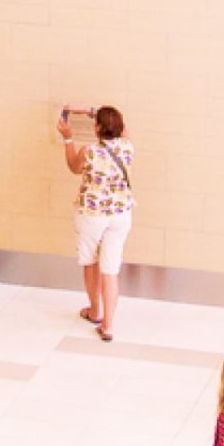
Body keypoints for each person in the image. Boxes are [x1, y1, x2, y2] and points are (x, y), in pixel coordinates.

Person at [58, 103, 135, 342]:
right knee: (111, 270)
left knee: (91, 262)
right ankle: (109, 326)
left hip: (92, 215)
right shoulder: (127, 148)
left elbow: (73, 167)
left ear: (97, 127)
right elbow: (123, 130)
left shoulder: (89, 152)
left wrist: (68, 139)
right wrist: (97, 114)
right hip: (120, 215)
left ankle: (95, 311)